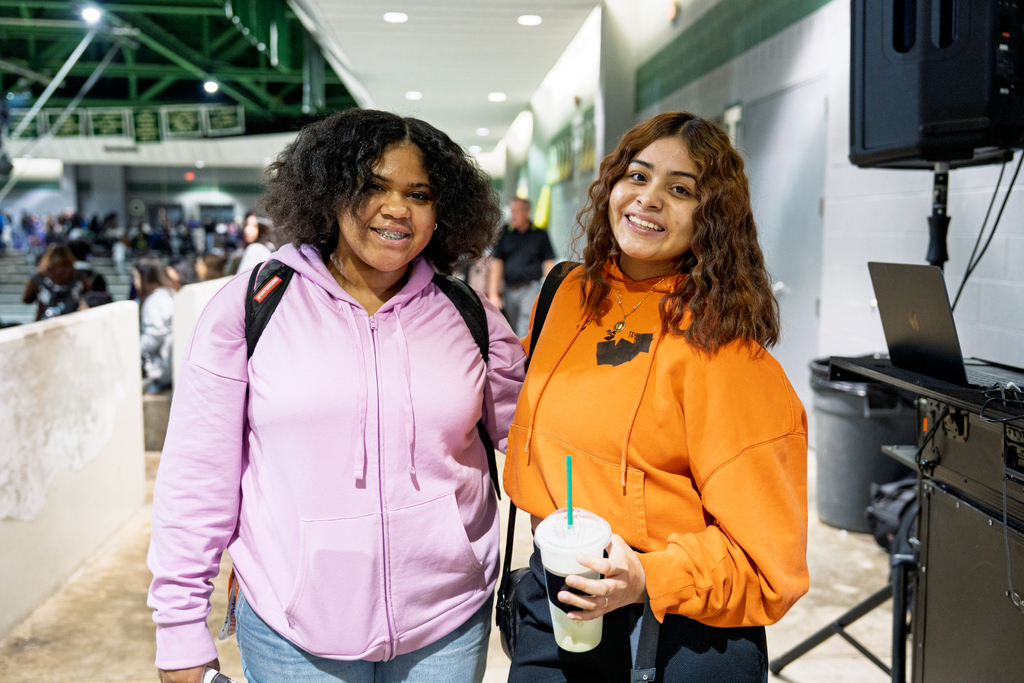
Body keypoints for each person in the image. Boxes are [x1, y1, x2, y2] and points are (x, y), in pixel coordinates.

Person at [147, 108, 526, 683]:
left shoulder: (470, 316)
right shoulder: (253, 307)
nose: (397, 208)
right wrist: (179, 627)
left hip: (447, 622)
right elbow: (197, 476)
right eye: (373, 187)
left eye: (418, 194)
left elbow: (540, 439)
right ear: (328, 193)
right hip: (290, 631)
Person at [503, 112, 809, 683]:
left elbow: (771, 564)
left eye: (680, 189)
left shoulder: (727, 354)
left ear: (712, 218)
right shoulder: (568, 294)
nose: (648, 200)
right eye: (637, 177)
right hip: (556, 599)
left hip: (670, 629)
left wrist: (648, 578)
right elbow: (515, 403)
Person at [487, 198, 555, 336]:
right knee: (511, 327)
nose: (513, 215)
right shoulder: (504, 234)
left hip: (531, 289)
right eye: (512, 211)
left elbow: (548, 263)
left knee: (524, 327)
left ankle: (523, 356)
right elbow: (497, 263)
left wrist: (549, 292)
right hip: (509, 289)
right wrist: (493, 294)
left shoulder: (540, 234)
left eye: (516, 211)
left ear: (527, 212)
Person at [134, 258, 175, 393]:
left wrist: (132, 351)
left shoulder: (155, 300)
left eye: (135, 277)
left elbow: (155, 334)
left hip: (163, 371)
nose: (134, 282)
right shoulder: (169, 293)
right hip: (171, 368)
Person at [22, 244, 89, 321]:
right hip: (73, 322)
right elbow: (88, 295)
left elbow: (27, 299)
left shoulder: (39, 276)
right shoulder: (78, 276)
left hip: (44, 323)